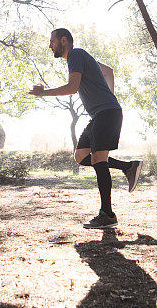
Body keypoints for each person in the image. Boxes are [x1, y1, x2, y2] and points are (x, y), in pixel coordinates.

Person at [29, 28, 142, 229]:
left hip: (106, 113)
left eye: (52, 41)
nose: (50, 46)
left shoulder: (75, 54)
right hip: (102, 114)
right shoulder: (80, 57)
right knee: (81, 155)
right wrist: (109, 95)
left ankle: (107, 214)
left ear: (64, 40)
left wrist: (44, 93)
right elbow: (108, 71)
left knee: (99, 159)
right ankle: (128, 167)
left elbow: (73, 87)